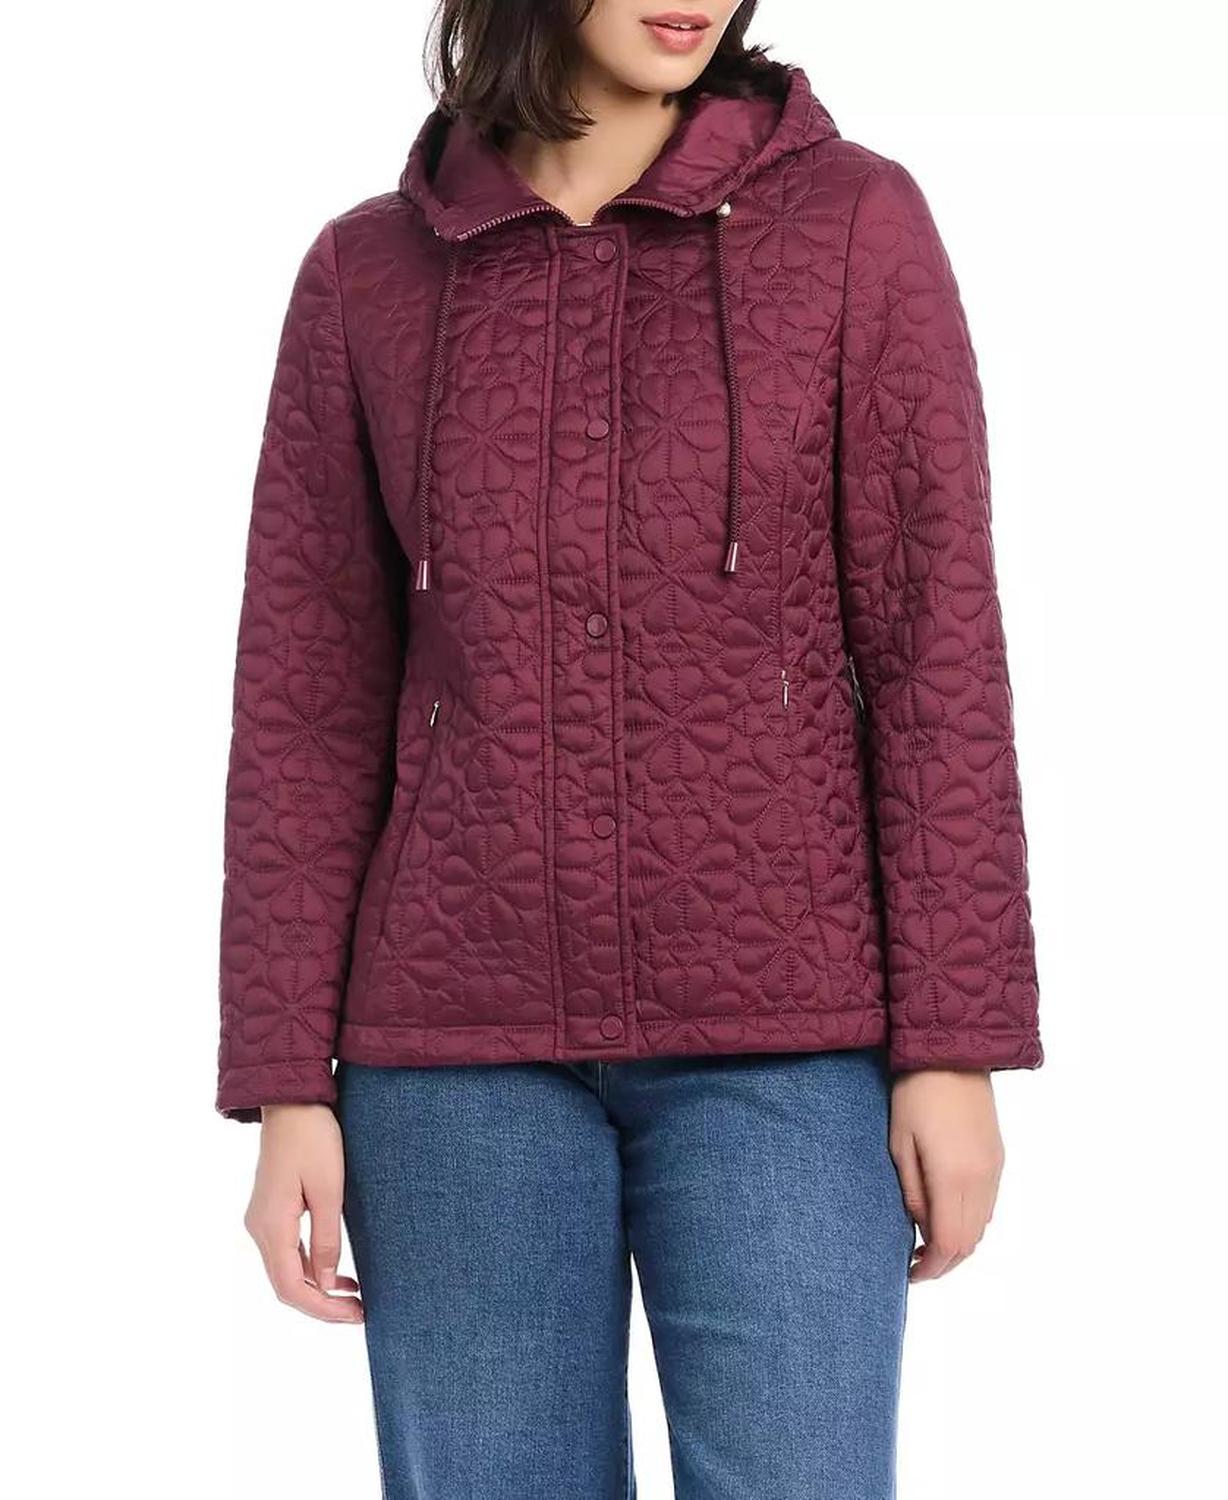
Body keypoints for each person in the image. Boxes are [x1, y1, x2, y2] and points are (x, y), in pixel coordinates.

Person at [217, 2, 1043, 1494]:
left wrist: (955, 1046)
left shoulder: (853, 228)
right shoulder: (366, 276)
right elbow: (307, 698)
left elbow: (936, 651)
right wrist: (286, 1081)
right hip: (452, 1056)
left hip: (786, 1041)